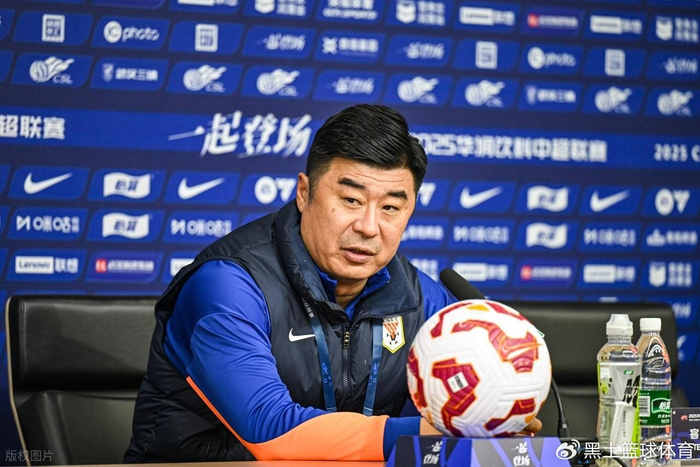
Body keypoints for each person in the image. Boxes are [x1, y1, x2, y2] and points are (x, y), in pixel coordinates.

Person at [124, 104, 540, 463]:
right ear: (304, 193)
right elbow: (268, 431)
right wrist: (431, 435)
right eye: (351, 200)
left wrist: (496, 418)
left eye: (391, 207)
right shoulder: (228, 285)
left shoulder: (422, 300)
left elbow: (454, 426)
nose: (369, 227)